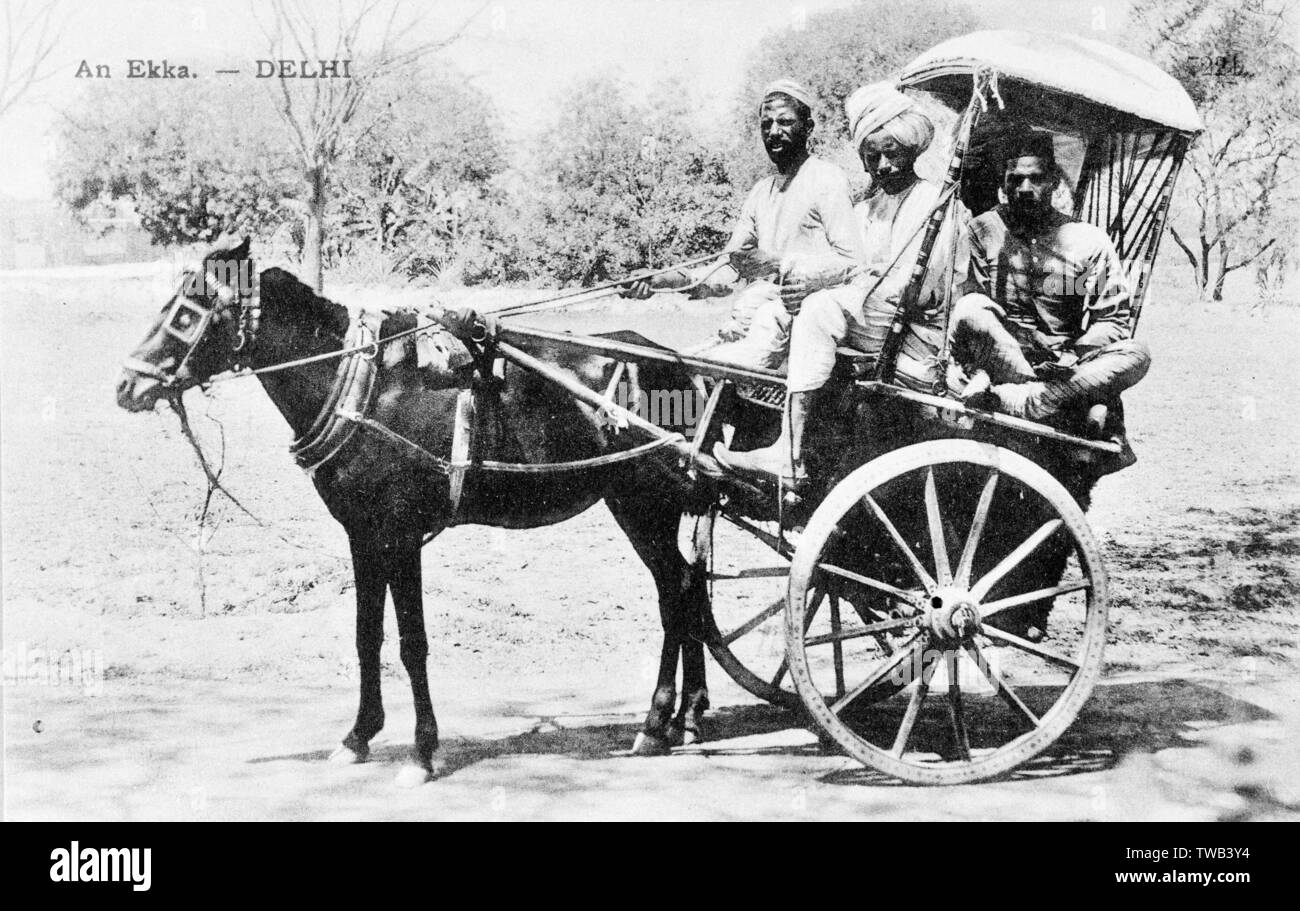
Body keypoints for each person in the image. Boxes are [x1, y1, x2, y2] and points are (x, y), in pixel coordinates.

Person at [715, 82, 965, 482]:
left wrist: (836, 287)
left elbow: (919, 288)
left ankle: (789, 452)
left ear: (912, 150)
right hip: (872, 320)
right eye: (872, 156)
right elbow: (849, 268)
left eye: (891, 153)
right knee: (786, 306)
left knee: (819, 309)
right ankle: (731, 376)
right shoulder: (865, 209)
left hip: (915, 332)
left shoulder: (935, 203)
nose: (883, 165)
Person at [620, 79, 862, 368]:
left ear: (808, 128)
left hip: (795, 335)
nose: (774, 132)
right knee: (671, 368)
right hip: (746, 330)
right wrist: (659, 281)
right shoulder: (761, 192)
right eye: (766, 124)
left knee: (688, 385)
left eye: (785, 122)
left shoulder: (827, 179)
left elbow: (852, 262)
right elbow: (725, 272)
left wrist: (778, 264)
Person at [948, 129, 1150, 434]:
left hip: (1065, 368)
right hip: (1005, 357)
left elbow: (1111, 320)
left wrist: (1074, 354)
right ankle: (1049, 399)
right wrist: (1026, 339)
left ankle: (1023, 401)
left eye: (1037, 178)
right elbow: (973, 305)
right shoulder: (982, 230)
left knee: (1137, 353)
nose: (1025, 189)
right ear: (1003, 183)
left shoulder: (1087, 241)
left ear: (1054, 180)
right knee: (969, 308)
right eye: (1015, 179)